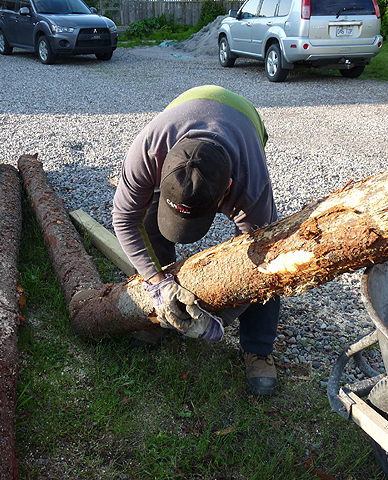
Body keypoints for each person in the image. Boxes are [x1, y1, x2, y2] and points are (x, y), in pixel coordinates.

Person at [112, 85, 281, 396]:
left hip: (243, 117)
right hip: (186, 106)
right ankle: (161, 313)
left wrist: (220, 320)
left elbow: (262, 265)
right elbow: (124, 219)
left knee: (265, 252)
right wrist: (156, 282)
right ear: (160, 172)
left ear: (227, 189)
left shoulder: (249, 182)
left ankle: (258, 346)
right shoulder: (148, 149)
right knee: (150, 223)